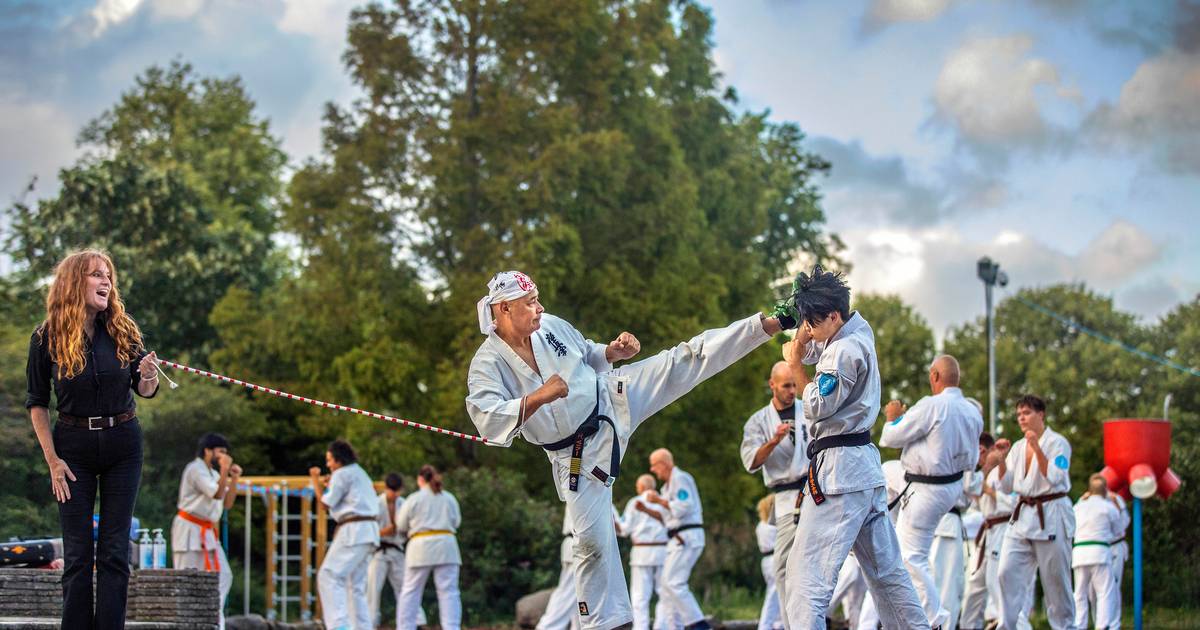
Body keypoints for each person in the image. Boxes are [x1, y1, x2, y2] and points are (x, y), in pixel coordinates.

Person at [465, 270, 790, 630]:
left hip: (612, 396)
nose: (540, 308)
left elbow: (586, 353)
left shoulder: (551, 325)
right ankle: (607, 625)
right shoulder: (487, 364)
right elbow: (487, 416)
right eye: (531, 303)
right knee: (589, 542)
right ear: (505, 308)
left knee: (682, 360)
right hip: (574, 457)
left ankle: (772, 322)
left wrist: (612, 351)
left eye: (538, 299)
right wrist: (539, 396)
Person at [780, 266, 927, 630]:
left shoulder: (845, 351)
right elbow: (818, 347)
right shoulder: (857, 332)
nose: (809, 331)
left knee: (804, 580)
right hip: (861, 470)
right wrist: (803, 327)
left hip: (841, 475)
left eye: (813, 322)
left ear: (834, 315)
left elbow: (815, 403)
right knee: (887, 574)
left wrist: (794, 363)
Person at [25, 249, 164, 629]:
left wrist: (149, 375)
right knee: (78, 554)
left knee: (115, 551)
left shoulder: (123, 330)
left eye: (108, 276)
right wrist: (53, 461)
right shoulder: (45, 338)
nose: (106, 282)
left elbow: (144, 389)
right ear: (73, 282)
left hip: (123, 444)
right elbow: (37, 404)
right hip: (72, 450)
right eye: (96, 275)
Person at [879, 354, 983, 629]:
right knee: (883, 473)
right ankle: (880, 525)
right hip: (949, 489)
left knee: (909, 557)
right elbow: (973, 461)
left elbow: (892, 437)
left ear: (935, 376)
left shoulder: (933, 405)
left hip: (925, 489)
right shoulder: (973, 412)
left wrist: (893, 418)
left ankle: (935, 619)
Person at [994, 395, 1076, 630]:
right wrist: (1001, 460)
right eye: (1019, 414)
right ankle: (1008, 625)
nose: (1022, 418)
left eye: (1027, 413)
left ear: (1041, 415)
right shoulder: (1018, 447)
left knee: (1056, 583)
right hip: (1022, 517)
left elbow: (1057, 476)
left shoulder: (1058, 443)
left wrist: (1037, 447)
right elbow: (1007, 486)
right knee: (1006, 572)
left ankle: (1065, 627)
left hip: (1051, 515)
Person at [739, 361, 809, 629]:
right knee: (783, 567)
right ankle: (792, 623)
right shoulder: (758, 421)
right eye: (786, 386)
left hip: (812, 490)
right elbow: (751, 462)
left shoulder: (808, 411)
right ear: (772, 385)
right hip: (784, 497)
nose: (792, 391)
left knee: (809, 563)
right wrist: (773, 441)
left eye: (794, 385)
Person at [171, 433, 241, 629]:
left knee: (223, 575)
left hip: (207, 531)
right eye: (220, 452)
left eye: (225, 453)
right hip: (189, 528)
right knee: (188, 580)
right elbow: (217, 493)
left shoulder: (216, 475)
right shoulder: (195, 469)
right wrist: (226, 468)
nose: (223, 456)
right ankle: (189, 623)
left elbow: (226, 503)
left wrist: (233, 478)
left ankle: (212, 620)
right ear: (207, 451)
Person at [310, 440, 380, 630]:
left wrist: (315, 481)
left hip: (354, 531)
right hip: (369, 531)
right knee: (355, 585)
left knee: (329, 575)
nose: (328, 465)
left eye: (329, 460)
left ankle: (339, 625)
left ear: (338, 459)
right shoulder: (359, 473)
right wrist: (329, 484)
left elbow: (326, 503)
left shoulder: (342, 473)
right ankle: (362, 627)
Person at [395, 465, 463, 630]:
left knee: (411, 591)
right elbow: (456, 522)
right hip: (446, 546)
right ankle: (452, 627)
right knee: (449, 592)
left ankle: (405, 627)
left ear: (420, 480)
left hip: (420, 547)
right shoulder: (448, 498)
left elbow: (401, 524)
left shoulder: (414, 498)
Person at [647, 449, 708, 630]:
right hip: (676, 538)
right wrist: (648, 508)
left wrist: (659, 501)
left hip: (687, 536)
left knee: (674, 582)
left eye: (654, 465)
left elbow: (684, 507)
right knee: (666, 587)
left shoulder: (681, 479)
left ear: (664, 464)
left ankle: (699, 624)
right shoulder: (666, 487)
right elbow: (667, 517)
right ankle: (675, 626)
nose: (652, 470)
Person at [368, 472, 425, 628]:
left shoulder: (404, 503)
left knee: (405, 587)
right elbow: (369, 531)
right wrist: (385, 531)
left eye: (397, 491)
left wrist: (401, 531)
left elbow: (410, 527)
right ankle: (369, 622)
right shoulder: (376, 504)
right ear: (386, 489)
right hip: (379, 551)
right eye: (391, 490)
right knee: (372, 589)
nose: (394, 494)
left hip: (397, 549)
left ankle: (416, 621)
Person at [616, 474, 670, 630]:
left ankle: (641, 627)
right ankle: (662, 626)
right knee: (664, 593)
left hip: (641, 552)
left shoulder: (635, 502)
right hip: (662, 550)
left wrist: (613, 521)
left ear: (641, 487)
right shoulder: (664, 501)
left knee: (640, 595)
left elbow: (625, 529)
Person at [1072, 474, 1124, 630]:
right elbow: (1119, 530)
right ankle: (1102, 626)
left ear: (1089, 490)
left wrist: (1082, 499)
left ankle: (1079, 625)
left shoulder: (1078, 507)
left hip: (1080, 553)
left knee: (1079, 594)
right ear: (1105, 490)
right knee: (1104, 593)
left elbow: (1070, 527)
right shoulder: (1108, 507)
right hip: (1100, 553)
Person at [539, 510, 581, 630]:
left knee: (582, 597)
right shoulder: (592, 491)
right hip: (578, 542)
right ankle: (546, 627)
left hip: (577, 543)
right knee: (568, 592)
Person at [755, 495, 783, 630]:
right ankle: (765, 625)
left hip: (765, 560)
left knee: (776, 593)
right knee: (774, 594)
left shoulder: (760, 525)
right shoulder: (774, 525)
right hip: (775, 558)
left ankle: (777, 623)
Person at [1109, 493, 1130, 629]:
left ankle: (1114, 624)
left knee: (1114, 588)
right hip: (1097, 548)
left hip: (1115, 547)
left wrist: (1117, 506)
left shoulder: (1117, 499)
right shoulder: (1086, 500)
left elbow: (1124, 523)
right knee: (1092, 591)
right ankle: (1100, 622)